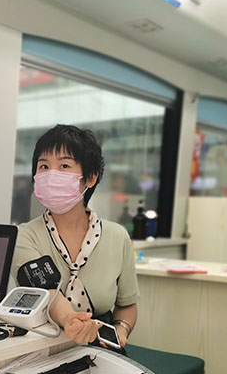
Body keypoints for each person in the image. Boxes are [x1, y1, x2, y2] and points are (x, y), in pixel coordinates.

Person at [11, 124, 139, 347]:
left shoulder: (117, 237)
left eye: (64, 165)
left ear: (90, 178)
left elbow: (127, 304)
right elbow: (48, 293)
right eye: (43, 166)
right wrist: (70, 320)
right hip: (42, 344)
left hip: (102, 344)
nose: (51, 175)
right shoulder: (25, 236)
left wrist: (121, 329)